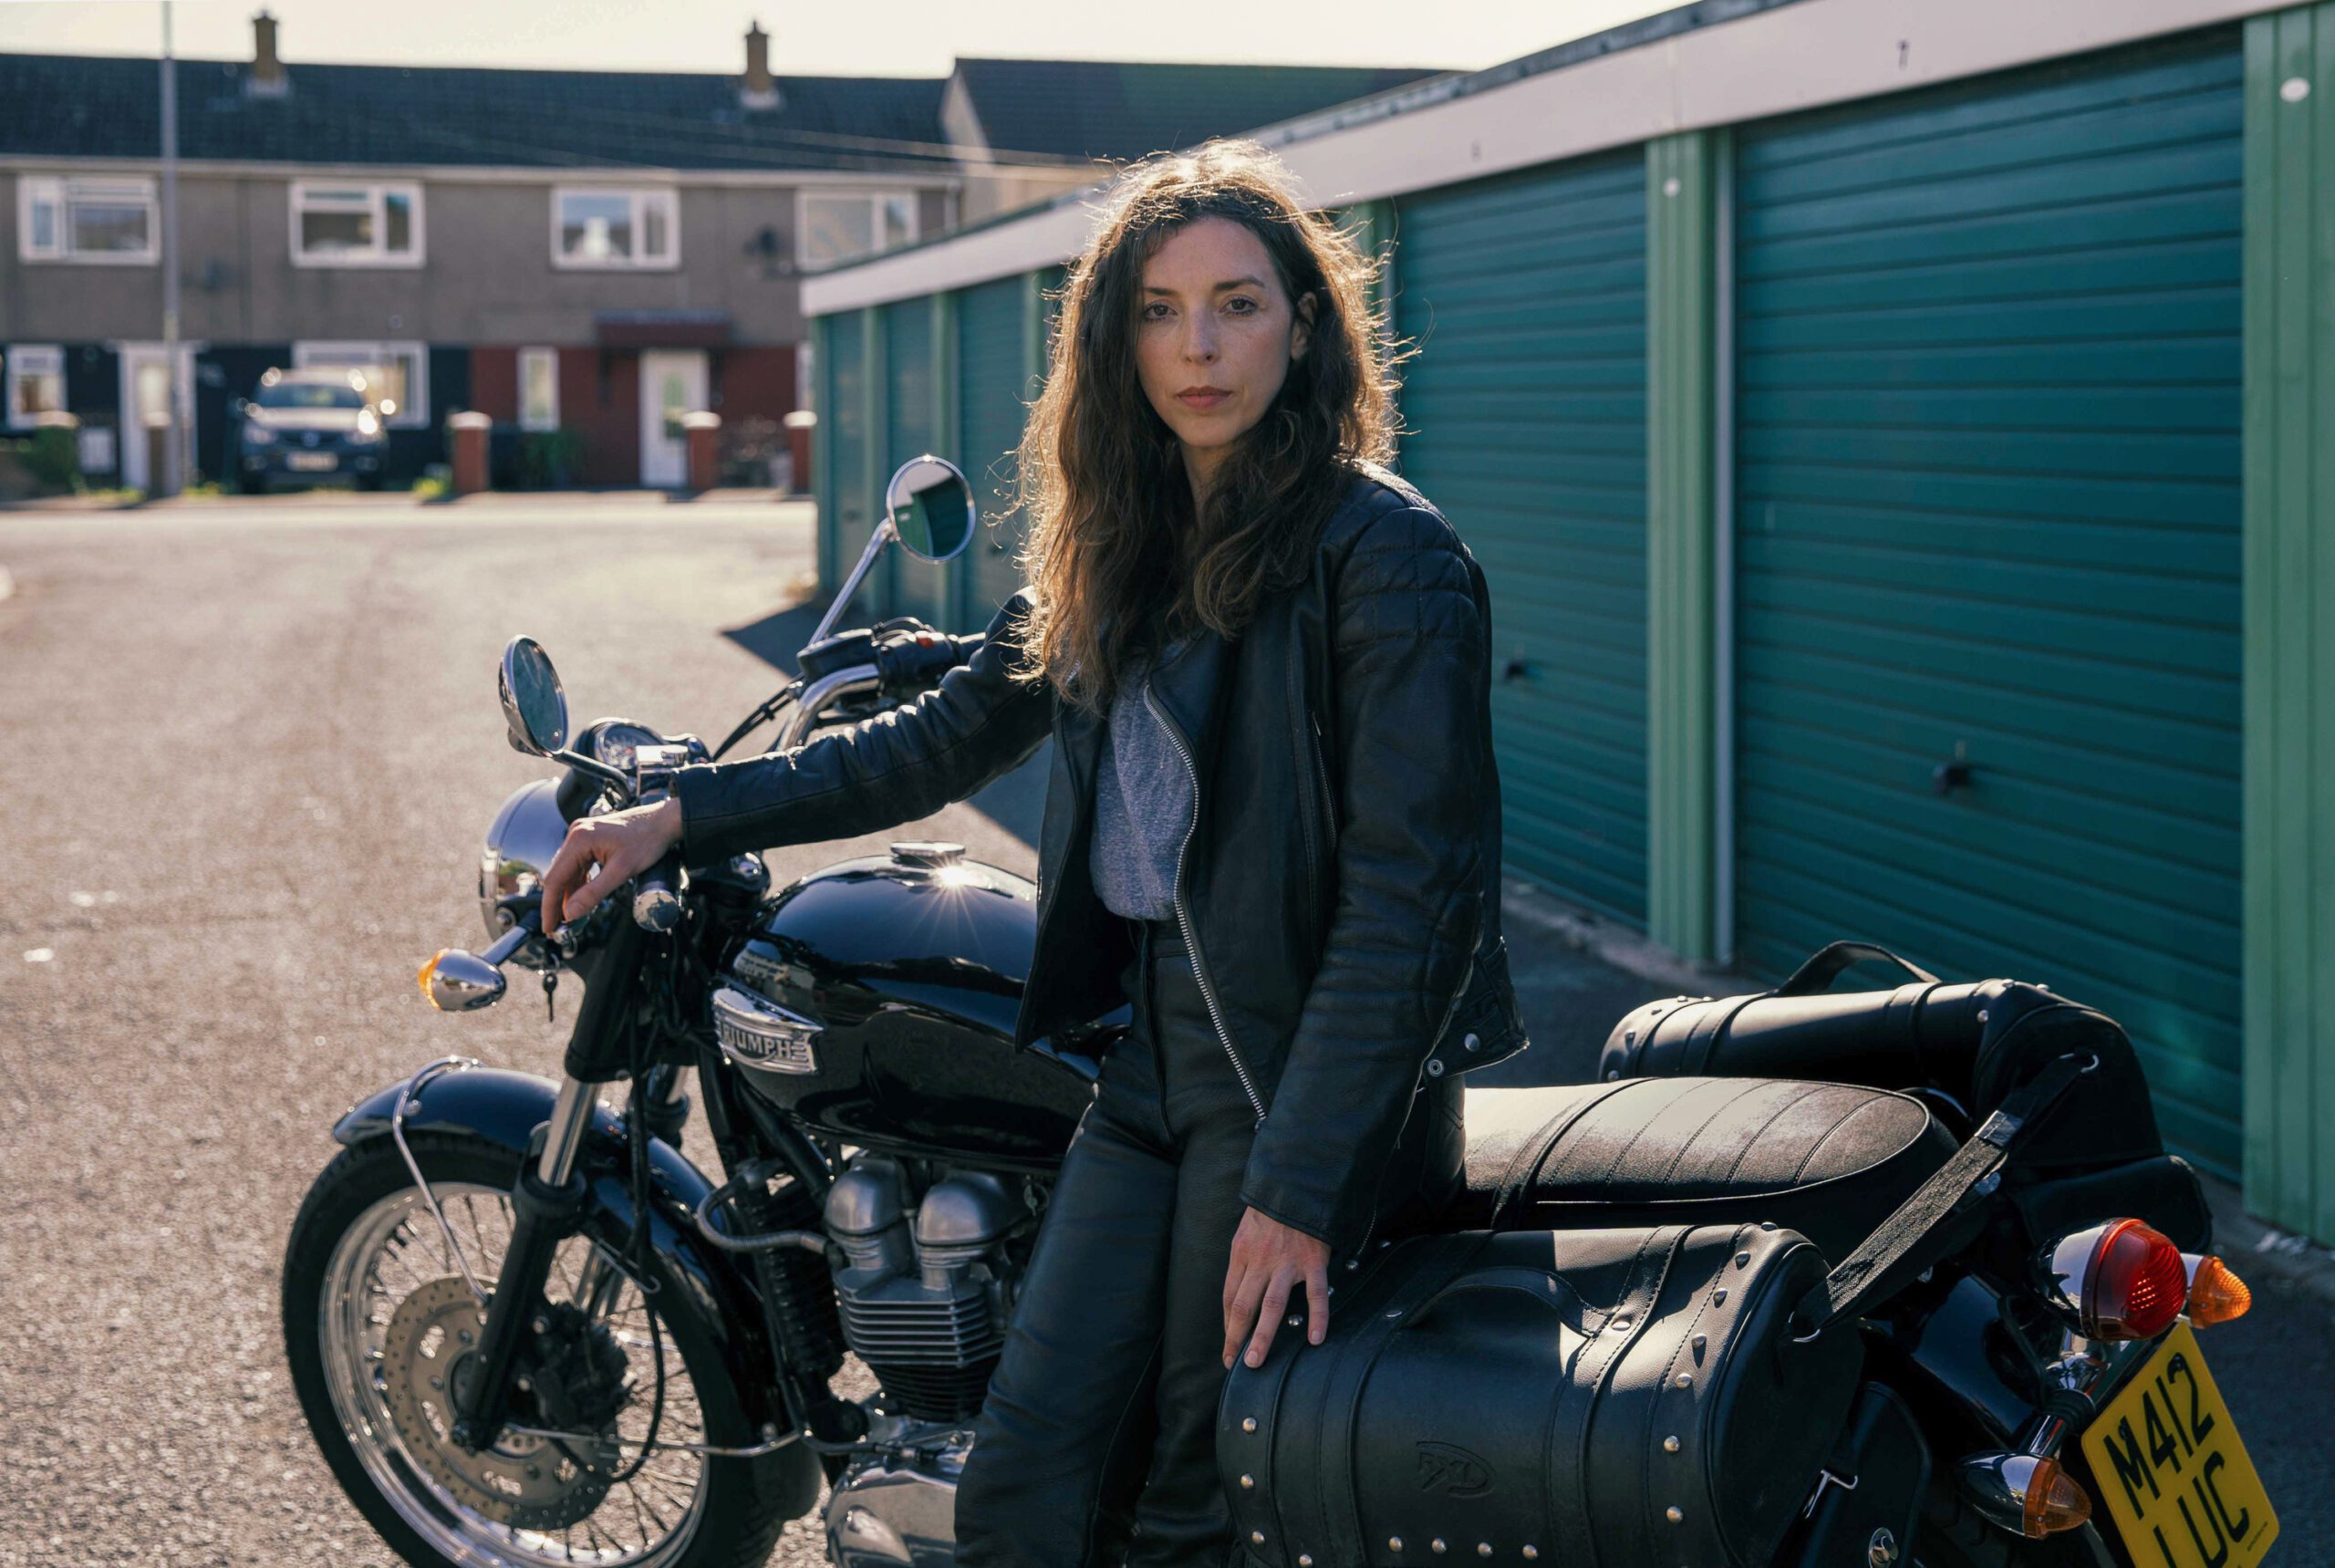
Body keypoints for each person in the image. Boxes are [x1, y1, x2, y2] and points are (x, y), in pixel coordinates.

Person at [538, 137, 1513, 1568]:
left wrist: (1303, 1187)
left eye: (1240, 304)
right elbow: (931, 742)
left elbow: (1412, 904)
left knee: (1196, 1504)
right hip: (1147, 1068)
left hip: (1293, 1079)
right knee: (1027, 1483)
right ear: (1113, 341)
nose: (1201, 345)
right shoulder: (1117, 540)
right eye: (1162, 310)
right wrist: (682, 814)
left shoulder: (1386, 558)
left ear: (1306, 328)